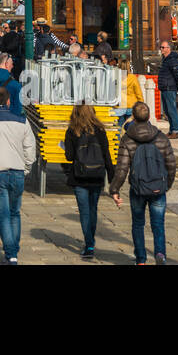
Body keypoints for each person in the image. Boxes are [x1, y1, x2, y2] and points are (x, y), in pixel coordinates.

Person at [110, 101, 178, 265]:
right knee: (158, 225)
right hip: (157, 187)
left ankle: (141, 259)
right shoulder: (160, 137)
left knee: (138, 224)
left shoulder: (127, 139)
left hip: (138, 188)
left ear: (133, 117)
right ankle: (160, 254)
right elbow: (171, 164)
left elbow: (122, 168)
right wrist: (166, 185)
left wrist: (114, 189)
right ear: (148, 117)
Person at [0, 87, 35, 264]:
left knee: (3, 216)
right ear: (9, 101)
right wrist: (25, 168)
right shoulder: (21, 120)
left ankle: (11, 254)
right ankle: (13, 250)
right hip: (16, 171)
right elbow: (30, 148)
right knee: (14, 213)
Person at [63, 102, 115, 260]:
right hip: (97, 175)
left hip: (80, 177)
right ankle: (90, 242)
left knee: (84, 212)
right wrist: (112, 179)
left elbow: (69, 156)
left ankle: (89, 244)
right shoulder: (100, 130)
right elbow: (106, 154)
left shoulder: (72, 131)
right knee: (93, 210)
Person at [157, 40, 178, 139]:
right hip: (164, 87)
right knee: (167, 111)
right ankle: (172, 130)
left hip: (170, 88)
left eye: (163, 47)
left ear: (168, 49)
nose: (161, 49)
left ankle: (176, 130)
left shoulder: (172, 60)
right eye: (161, 47)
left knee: (171, 110)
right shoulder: (165, 59)